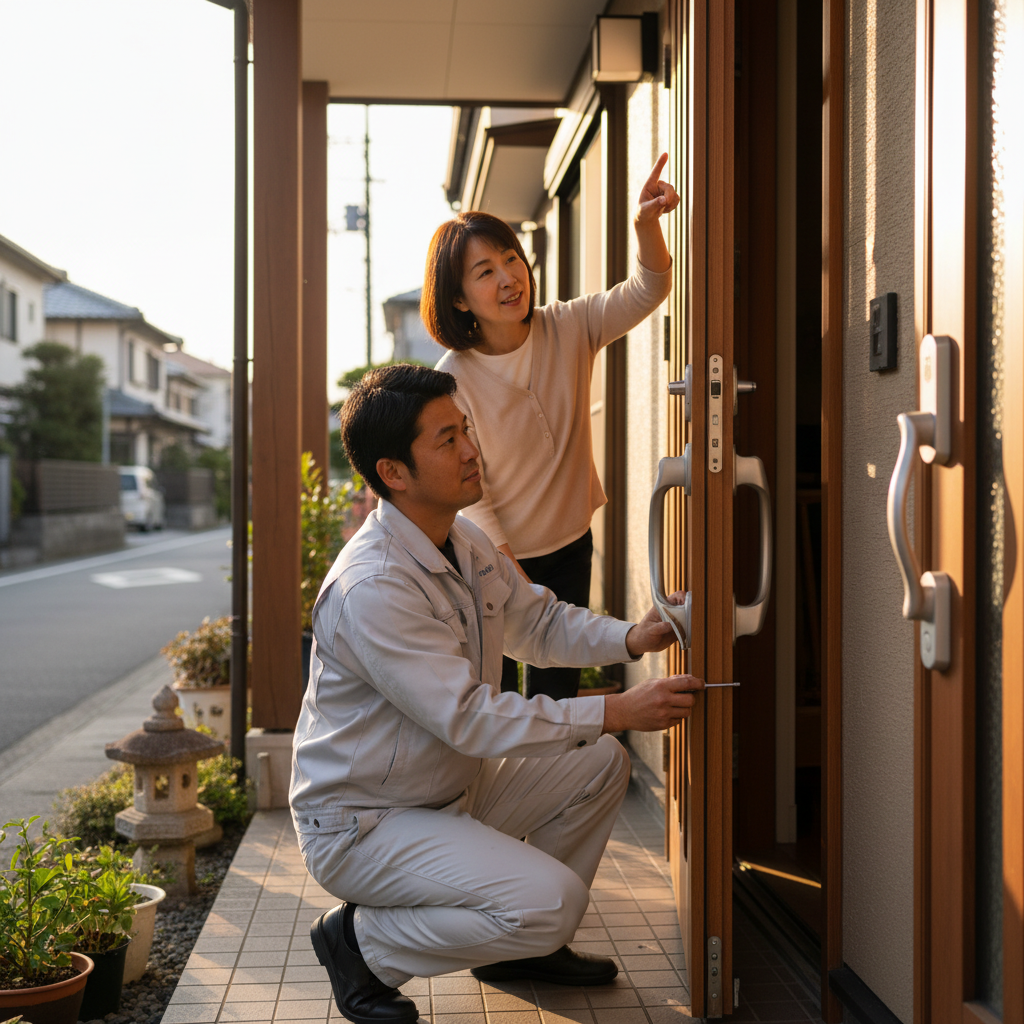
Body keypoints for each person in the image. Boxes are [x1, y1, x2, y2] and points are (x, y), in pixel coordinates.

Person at [290, 364, 704, 1024]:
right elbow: (469, 717)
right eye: (447, 439)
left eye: (466, 430)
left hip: (448, 791)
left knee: (599, 762)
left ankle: (519, 951)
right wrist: (616, 709)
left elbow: (537, 623)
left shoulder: (461, 537)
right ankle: (361, 946)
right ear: (394, 472)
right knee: (552, 902)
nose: (471, 450)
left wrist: (633, 637)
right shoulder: (373, 586)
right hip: (366, 824)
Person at [422, 154, 679, 702]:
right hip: (490, 557)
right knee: (493, 695)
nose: (508, 278)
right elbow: (471, 487)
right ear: (459, 298)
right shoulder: (453, 379)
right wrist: (507, 567)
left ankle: (560, 764)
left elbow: (648, 289)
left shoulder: (569, 325)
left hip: (569, 545)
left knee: (557, 691)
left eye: (510, 258)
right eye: (484, 272)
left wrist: (644, 226)